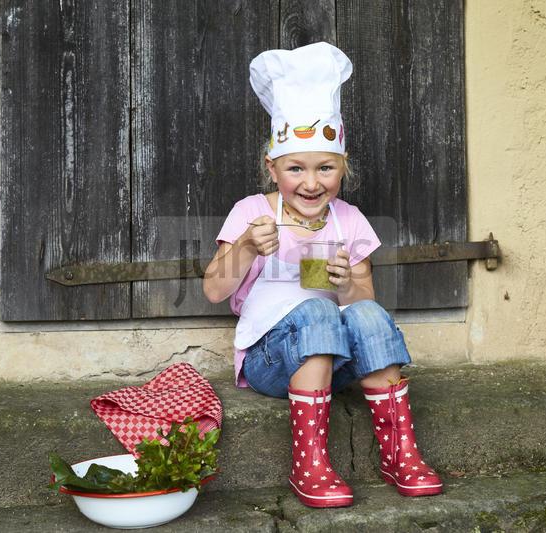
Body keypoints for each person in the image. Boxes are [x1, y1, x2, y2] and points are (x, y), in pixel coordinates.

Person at [202, 42, 441, 508]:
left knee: (369, 315)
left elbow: (364, 298)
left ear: (342, 168)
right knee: (313, 307)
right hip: (273, 361)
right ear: (273, 169)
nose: (311, 183)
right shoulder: (252, 212)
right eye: (296, 168)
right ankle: (308, 464)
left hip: (336, 358)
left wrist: (346, 282)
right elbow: (214, 289)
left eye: (325, 168)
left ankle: (400, 454)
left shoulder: (348, 219)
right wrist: (249, 245)